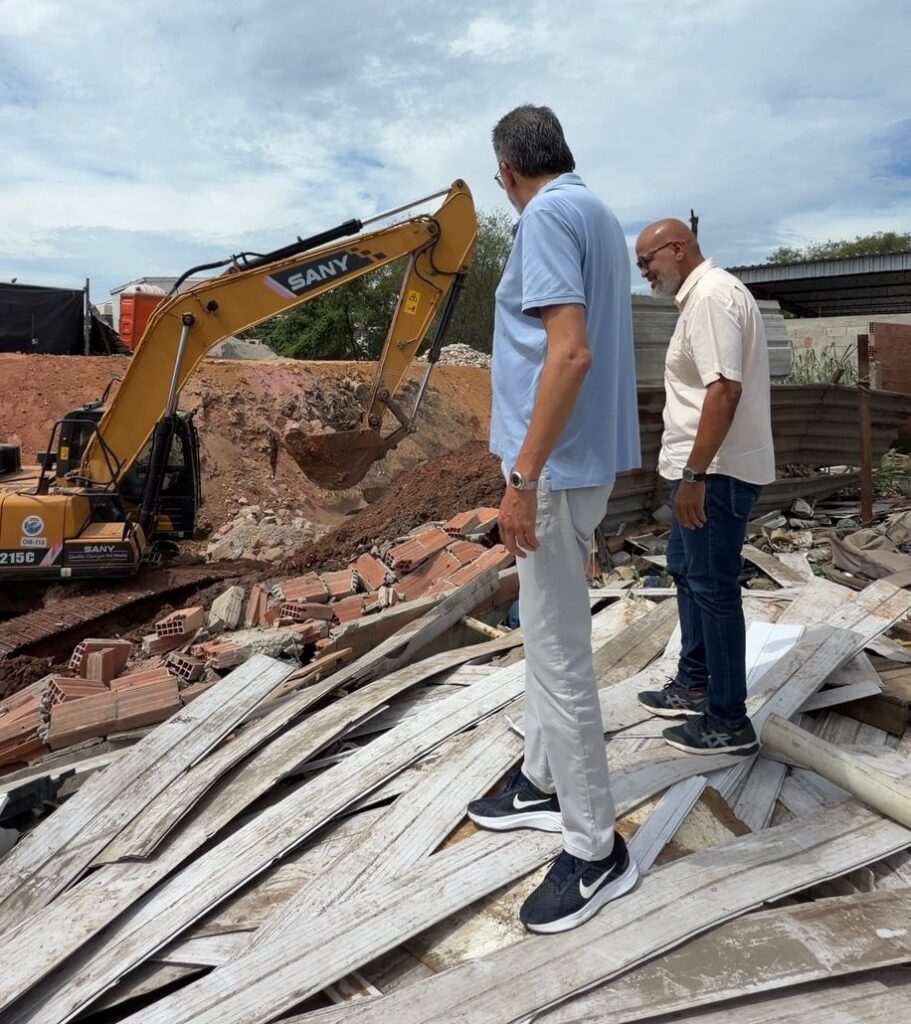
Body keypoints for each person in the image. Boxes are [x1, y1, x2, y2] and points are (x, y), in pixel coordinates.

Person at [466, 105, 641, 934]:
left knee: (560, 653)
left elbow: (567, 352)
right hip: (586, 465)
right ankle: (541, 779)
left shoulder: (542, 218)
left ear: (507, 172)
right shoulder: (599, 215)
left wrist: (522, 477)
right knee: (545, 642)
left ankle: (594, 848)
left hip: (555, 472)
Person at [634, 220, 775, 755]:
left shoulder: (713, 298)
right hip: (697, 472)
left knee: (715, 591)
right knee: (687, 573)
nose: (645, 272)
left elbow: (724, 392)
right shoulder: (700, 300)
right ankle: (695, 681)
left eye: (648, 261)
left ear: (678, 248)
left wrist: (694, 477)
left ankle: (728, 721)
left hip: (712, 476)